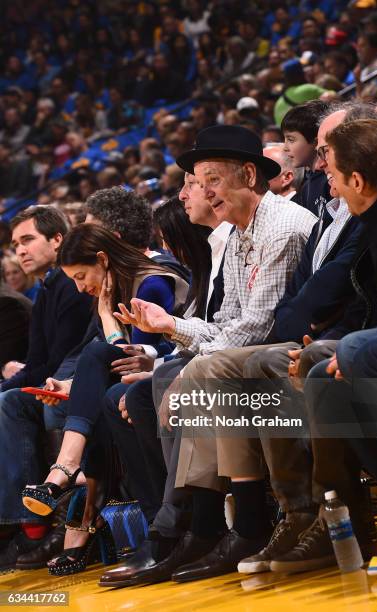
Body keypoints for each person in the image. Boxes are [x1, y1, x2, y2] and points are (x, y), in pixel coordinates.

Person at [101, 124, 316, 586]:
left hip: (293, 350)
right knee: (201, 371)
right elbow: (229, 323)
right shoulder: (237, 233)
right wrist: (169, 326)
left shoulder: (283, 228)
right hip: (254, 353)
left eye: (211, 180)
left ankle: (225, 524)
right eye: (199, 182)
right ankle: (209, 525)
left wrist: (188, 361)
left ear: (249, 175)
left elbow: (260, 326)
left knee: (206, 370)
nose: (202, 192)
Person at [21, 224, 189, 575]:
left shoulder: (151, 283)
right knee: (101, 389)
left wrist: (104, 315)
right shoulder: (119, 289)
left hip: (176, 369)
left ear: (102, 259)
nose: (82, 288)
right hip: (144, 376)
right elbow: (115, 363)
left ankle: (69, 484)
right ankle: (82, 497)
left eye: (82, 276)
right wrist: (72, 386)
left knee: (105, 376)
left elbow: (136, 354)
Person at [100, 177, 232, 586]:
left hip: (232, 362)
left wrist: (158, 362)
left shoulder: (160, 279)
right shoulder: (198, 272)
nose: (167, 248)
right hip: (204, 357)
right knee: (128, 394)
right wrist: (161, 364)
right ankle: (166, 519)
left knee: (137, 388)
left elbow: (228, 332)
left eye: (170, 239)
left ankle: (177, 525)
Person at [303, 118, 377, 573]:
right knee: (323, 380)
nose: (329, 183)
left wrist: (359, 347)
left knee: (358, 352)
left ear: (358, 180)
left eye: (332, 174)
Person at [0, 206, 93, 571]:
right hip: (54, 375)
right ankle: (20, 522)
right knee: (8, 398)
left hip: (73, 380)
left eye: (28, 240)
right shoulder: (46, 289)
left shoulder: (72, 286)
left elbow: (58, 361)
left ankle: (36, 523)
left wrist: (12, 385)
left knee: (11, 403)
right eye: (15, 244)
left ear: (58, 240)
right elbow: (40, 361)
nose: (19, 251)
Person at [281, 100, 331, 216]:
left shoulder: (330, 182)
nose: (285, 148)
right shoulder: (306, 186)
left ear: (316, 141)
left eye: (291, 139)